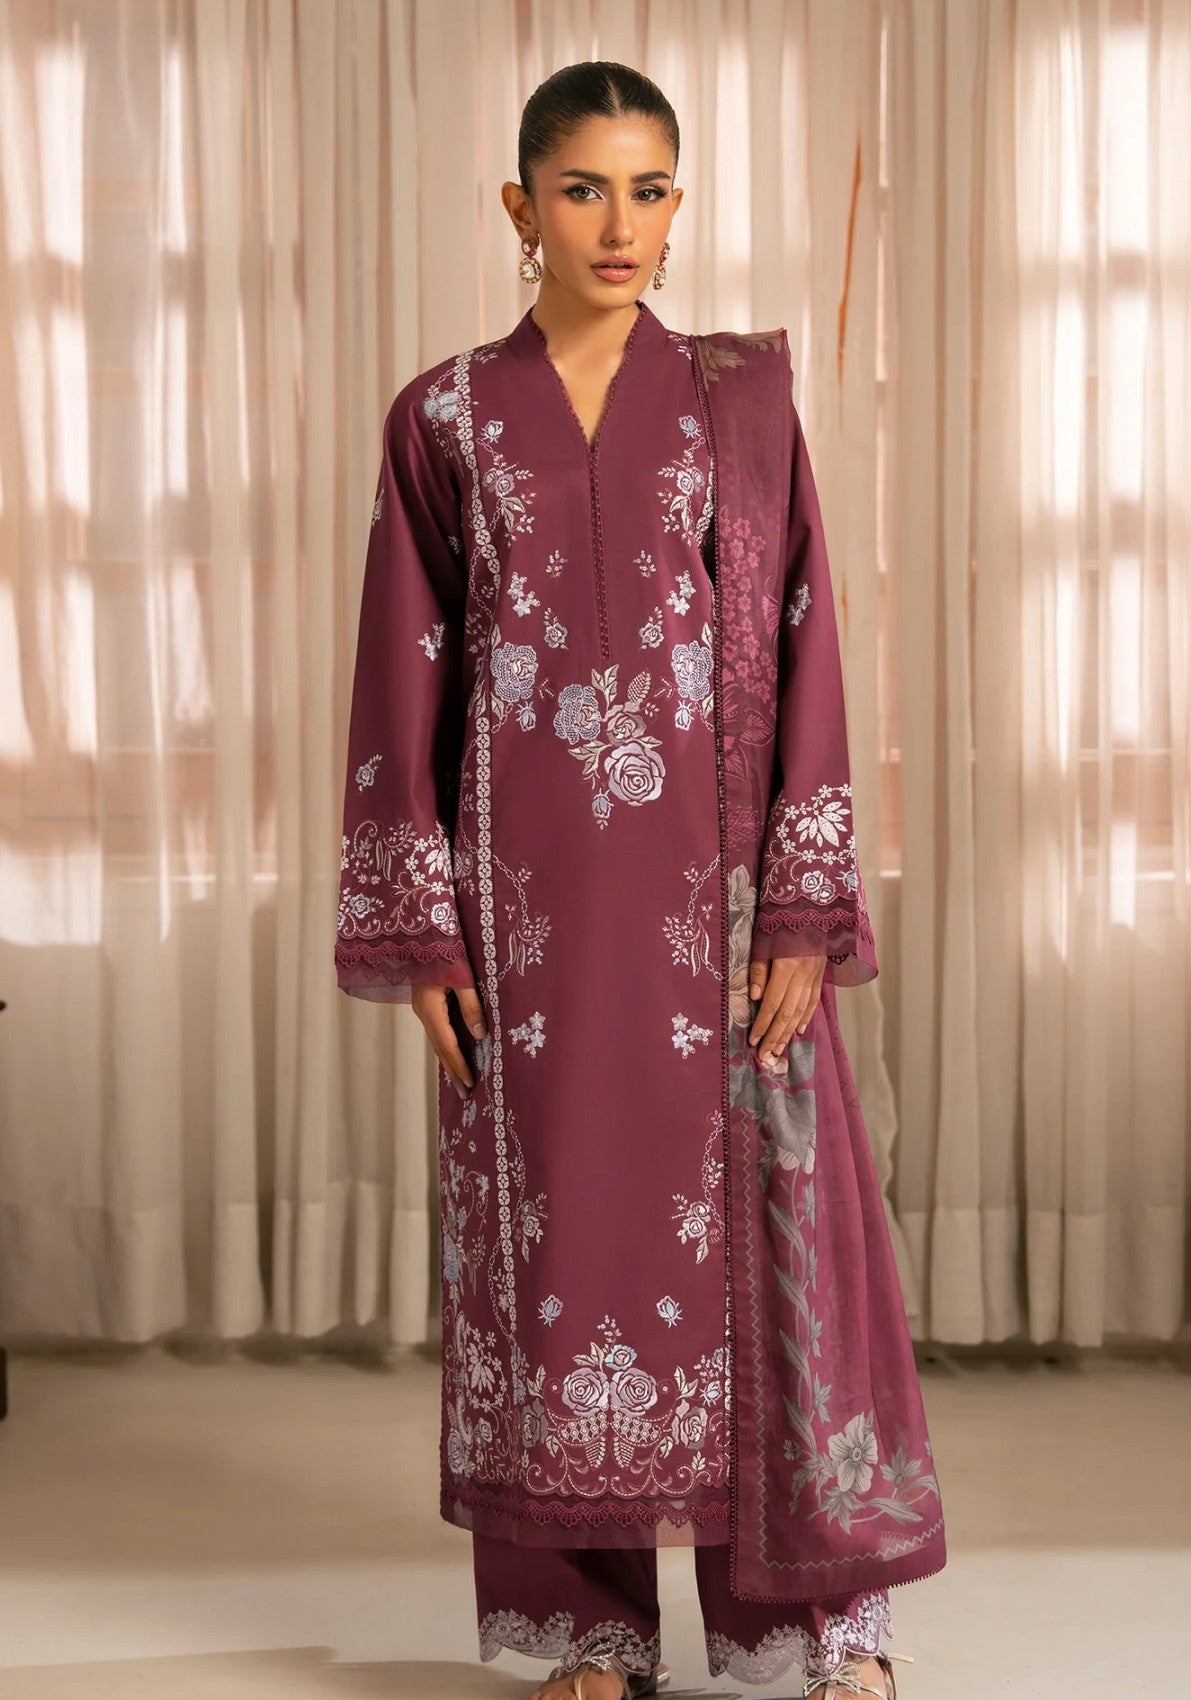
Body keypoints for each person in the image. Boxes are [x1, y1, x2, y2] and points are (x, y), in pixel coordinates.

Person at [335, 59, 946, 1700]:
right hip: (531, 931)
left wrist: (803, 906)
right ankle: (595, 1633)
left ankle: (824, 1627)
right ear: (520, 205)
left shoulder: (740, 405)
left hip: (719, 913)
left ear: (680, 207)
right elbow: (406, 680)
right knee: (557, 1260)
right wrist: (426, 934)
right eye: (586, 189)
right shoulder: (444, 419)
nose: (623, 225)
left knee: (778, 1249)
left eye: (652, 189)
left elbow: (808, 646)